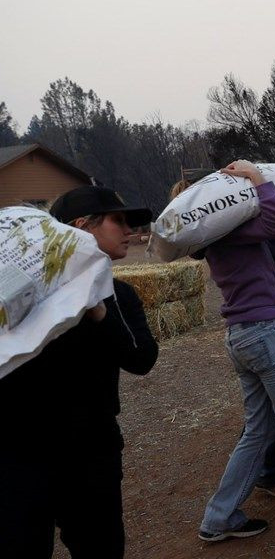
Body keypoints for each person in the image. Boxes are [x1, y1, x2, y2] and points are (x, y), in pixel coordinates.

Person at [0, 186, 158, 558]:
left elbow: (142, 359)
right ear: (81, 228)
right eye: (118, 220)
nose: (129, 230)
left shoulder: (119, 294)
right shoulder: (18, 296)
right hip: (18, 455)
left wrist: (98, 310)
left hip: (92, 452)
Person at [195, 160, 275, 546]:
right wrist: (257, 177)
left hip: (240, 336)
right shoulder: (238, 232)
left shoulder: (214, 239)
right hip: (267, 334)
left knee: (257, 430)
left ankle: (218, 517)